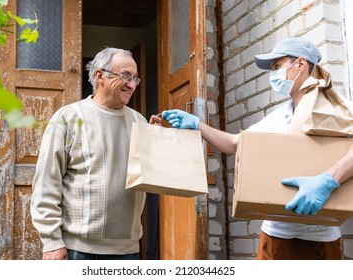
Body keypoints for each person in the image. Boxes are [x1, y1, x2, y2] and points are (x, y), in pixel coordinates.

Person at [162, 37, 352, 260]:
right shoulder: (279, 116)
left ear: (300, 64)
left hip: (322, 237)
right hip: (276, 234)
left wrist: (328, 181)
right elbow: (235, 143)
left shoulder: (339, 111)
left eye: (277, 66)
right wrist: (198, 125)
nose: (274, 75)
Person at [31, 47, 161, 260]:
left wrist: (159, 141)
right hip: (78, 250)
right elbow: (47, 182)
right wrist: (51, 241)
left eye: (135, 78)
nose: (132, 84)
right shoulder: (68, 118)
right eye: (125, 76)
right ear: (100, 76)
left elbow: (153, 178)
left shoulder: (140, 122)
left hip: (128, 251)